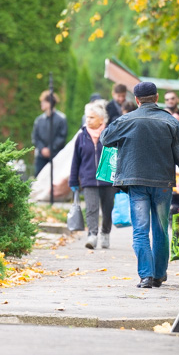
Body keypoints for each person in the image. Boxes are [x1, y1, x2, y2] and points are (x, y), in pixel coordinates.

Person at [101, 81, 179, 289]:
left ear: (136, 100)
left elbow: (105, 138)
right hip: (162, 184)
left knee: (140, 230)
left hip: (136, 183)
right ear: (157, 98)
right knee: (160, 229)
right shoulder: (171, 122)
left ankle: (145, 276)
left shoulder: (126, 120)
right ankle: (158, 275)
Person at [69, 100, 115, 250]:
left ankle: (105, 233)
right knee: (91, 208)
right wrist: (73, 180)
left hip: (108, 180)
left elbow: (116, 157)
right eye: (87, 117)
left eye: (92, 117)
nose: (88, 120)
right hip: (88, 179)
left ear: (101, 119)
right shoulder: (81, 136)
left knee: (107, 210)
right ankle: (92, 236)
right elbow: (75, 160)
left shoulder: (110, 134)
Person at [31, 90, 68, 177]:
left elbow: (62, 137)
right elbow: (35, 137)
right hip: (41, 157)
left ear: (49, 103)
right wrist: (42, 149)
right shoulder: (39, 120)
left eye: (43, 102)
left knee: (55, 179)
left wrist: (50, 149)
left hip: (56, 156)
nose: (41, 104)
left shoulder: (61, 119)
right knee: (39, 179)